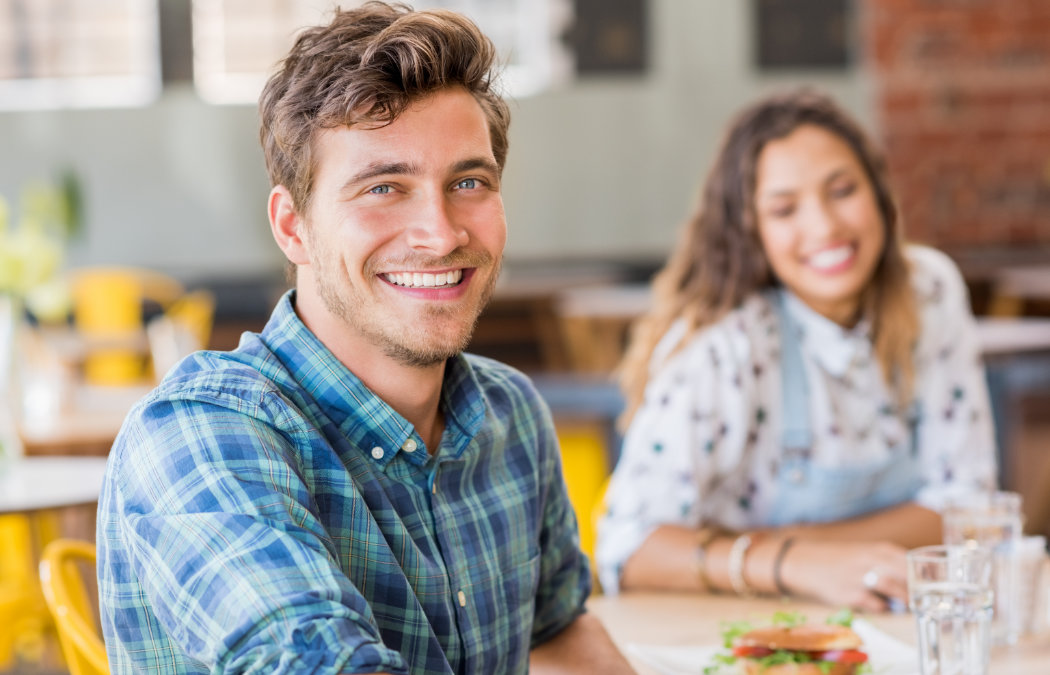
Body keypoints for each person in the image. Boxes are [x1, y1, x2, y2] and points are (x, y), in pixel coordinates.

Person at [96, 3, 634, 673]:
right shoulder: (201, 433)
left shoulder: (512, 414)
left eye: (468, 182)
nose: (439, 233)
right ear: (293, 226)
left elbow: (555, 634)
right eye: (384, 187)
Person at [595, 89, 997, 611]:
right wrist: (797, 565)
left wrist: (795, 546)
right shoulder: (724, 346)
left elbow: (973, 511)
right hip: (742, 632)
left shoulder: (930, 291)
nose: (826, 226)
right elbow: (627, 550)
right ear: (750, 231)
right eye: (784, 209)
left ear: (878, 192)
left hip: (899, 625)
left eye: (843, 190)